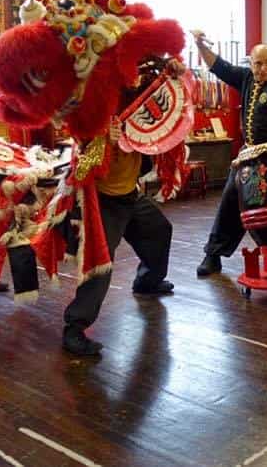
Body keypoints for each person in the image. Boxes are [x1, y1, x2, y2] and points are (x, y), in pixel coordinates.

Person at [193, 33, 267, 276]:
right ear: (251, 64)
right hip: (248, 157)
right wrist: (198, 45)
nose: (262, 68)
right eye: (258, 63)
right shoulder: (246, 78)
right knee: (231, 199)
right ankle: (213, 255)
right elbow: (218, 66)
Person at [62, 100, 178, 356]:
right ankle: (74, 327)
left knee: (159, 231)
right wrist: (104, 139)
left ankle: (147, 281)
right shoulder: (91, 112)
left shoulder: (139, 103)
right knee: (100, 264)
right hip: (102, 200)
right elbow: (81, 163)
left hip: (131, 195)